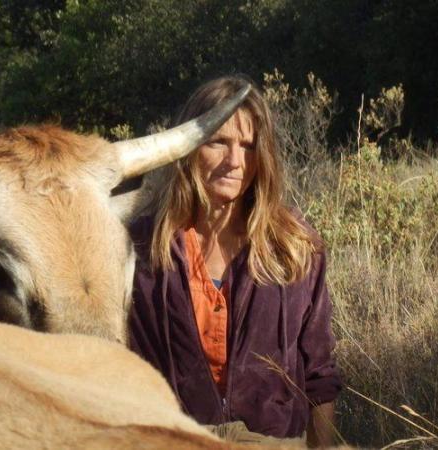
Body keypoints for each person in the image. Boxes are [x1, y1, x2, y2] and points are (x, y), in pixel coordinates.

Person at [128, 75, 341, 446]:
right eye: (218, 142)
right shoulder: (141, 246)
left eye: (249, 145)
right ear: (188, 148)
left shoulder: (293, 245)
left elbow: (319, 374)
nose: (234, 161)